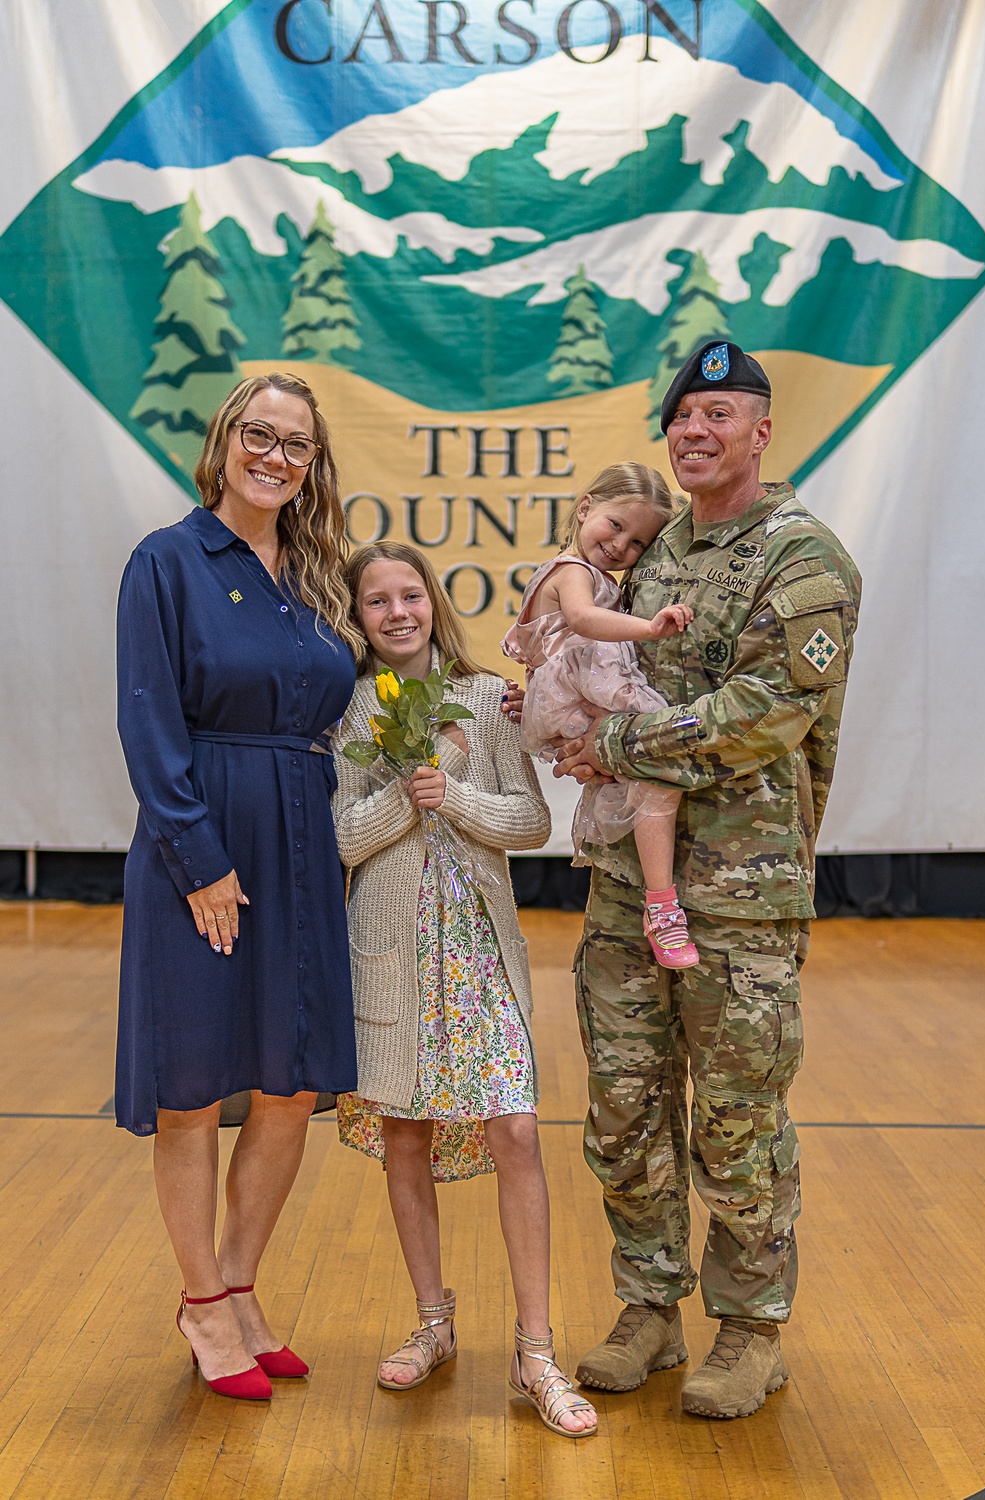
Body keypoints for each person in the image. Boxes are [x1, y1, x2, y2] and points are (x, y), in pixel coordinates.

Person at [552, 342, 861, 1419]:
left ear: (761, 430)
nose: (696, 432)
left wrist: (622, 745)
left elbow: (766, 713)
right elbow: (585, 660)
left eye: (719, 414)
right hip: (623, 887)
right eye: (683, 416)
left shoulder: (803, 558)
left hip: (742, 891)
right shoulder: (650, 551)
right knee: (625, 1105)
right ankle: (648, 1307)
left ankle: (748, 1329)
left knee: (734, 1114)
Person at [116, 372, 362, 1399]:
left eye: (295, 445)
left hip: (303, 841)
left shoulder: (316, 576)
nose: (275, 456)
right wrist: (199, 859)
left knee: (290, 1083)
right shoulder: (167, 562)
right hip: (205, 840)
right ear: (223, 443)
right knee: (191, 1088)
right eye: (258, 435)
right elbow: (148, 717)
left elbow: (369, 687)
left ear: (312, 466)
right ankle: (202, 1303)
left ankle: (241, 1286)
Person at [331, 541, 598, 1438]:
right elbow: (340, 839)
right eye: (377, 601)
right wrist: (404, 802)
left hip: (478, 951)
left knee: (515, 1131)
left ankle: (535, 1349)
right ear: (358, 616)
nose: (397, 612)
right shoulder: (352, 710)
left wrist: (457, 799)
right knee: (406, 1131)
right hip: (393, 946)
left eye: (411, 594)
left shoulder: (486, 699)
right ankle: (433, 1321)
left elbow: (527, 819)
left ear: (433, 602)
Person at [502, 462, 698, 967]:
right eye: (616, 526)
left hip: (570, 696)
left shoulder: (578, 572)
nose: (621, 548)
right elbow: (582, 620)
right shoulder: (573, 572)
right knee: (662, 759)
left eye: (637, 544)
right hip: (581, 687)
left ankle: (659, 902)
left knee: (646, 780)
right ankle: (662, 904)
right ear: (585, 507)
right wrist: (651, 629)